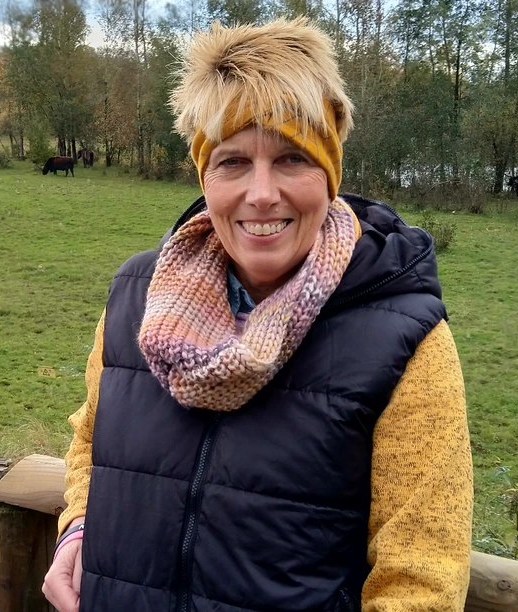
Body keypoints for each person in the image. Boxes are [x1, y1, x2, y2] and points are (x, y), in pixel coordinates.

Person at [42, 18, 473, 612]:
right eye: (234, 161)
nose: (262, 192)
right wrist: (79, 525)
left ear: (330, 172)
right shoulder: (136, 298)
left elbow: (421, 580)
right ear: (205, 174)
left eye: (292, 158)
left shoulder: (404, 338)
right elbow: (92, 445)